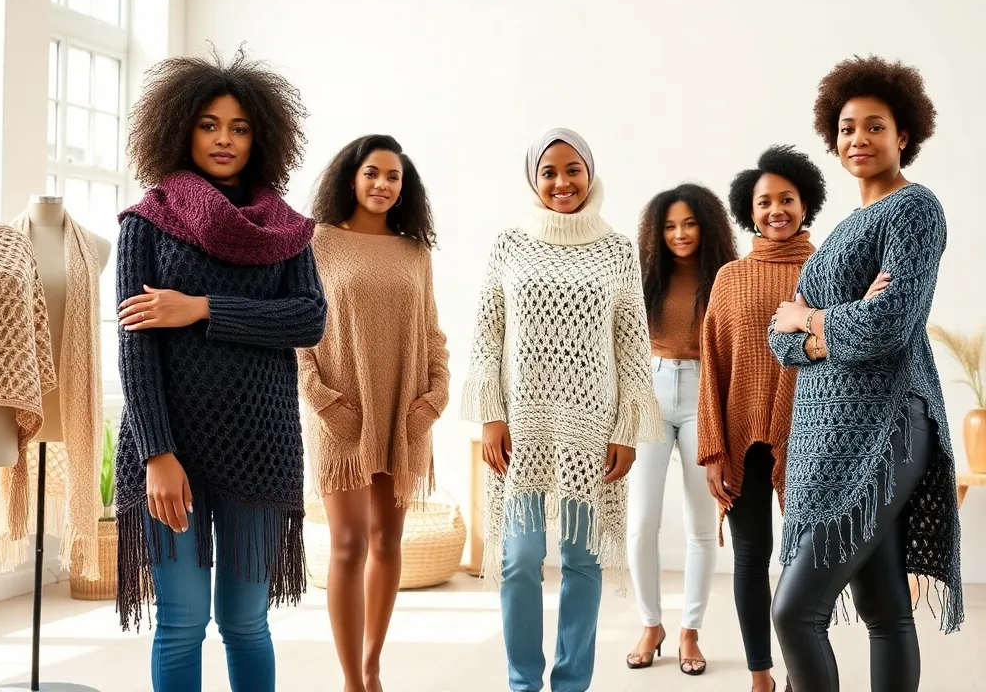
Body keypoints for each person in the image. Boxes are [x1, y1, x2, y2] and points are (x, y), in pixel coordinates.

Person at [112, 47, 328, 692]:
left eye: (239, 127)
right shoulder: (147, 223)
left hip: (261, 449)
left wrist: (202, 308)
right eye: (209, 125)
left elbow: (308, 319)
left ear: (261, 137)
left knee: (246, 622)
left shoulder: (286, 230)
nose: (224, 139)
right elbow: (135, 349)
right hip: (169, 450)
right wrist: (156, 454)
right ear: (182, 129)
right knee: (181, 622)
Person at [767, 55, 964, 692]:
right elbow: (778, 340)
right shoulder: (841, 232)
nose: (859, 139)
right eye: (847, 128)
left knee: (795, 612)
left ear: (904, 135)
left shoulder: (915, 209)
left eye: (875, 126)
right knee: (884, 609)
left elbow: (889, 324)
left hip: (886, 426)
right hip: (829, 438)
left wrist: (812, 320)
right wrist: (826, 324)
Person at [462, 128, 662, 692]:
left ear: (589, 174)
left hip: (591, 428)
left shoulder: (617, 249)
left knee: (581, 559)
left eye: (573, 169)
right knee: (519, 558)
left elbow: (631, 344)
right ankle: (523, 683)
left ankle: (572, 683)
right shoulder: (510, 245)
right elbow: (488, 334)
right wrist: (491, 415)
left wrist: (626, 429)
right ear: (533, 179)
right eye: (548, 172)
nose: (561, 182)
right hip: (521, 426)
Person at [299, 134, 449, 692]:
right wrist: (321, 399)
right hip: (340, 415)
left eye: (393, 177)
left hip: (405, 414)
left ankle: (371, 667)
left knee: (388, 542)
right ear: (351, 177)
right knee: (348, 544)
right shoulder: (316, 243)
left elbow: (432, 334)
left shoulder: (415, 252)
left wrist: (435, 396)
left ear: (404, 188)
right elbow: (298, 333)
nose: (382, 184)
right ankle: (350, 681)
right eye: (372, 173)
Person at [694, 147, 827, 692]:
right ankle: (760, 674)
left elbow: (845, 340)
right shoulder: (730, 277)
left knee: (804, 563)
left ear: (805, 204)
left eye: (787, 199)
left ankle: (801, 674)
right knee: (751, 559)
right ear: (749, 212)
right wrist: (713, 449)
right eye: (764, 202)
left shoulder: (828, 267)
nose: (777, 210)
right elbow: (712, 363)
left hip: (813, 435)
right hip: (741, 437)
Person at [625, 182, 737, 676]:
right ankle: (651, 624)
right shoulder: (643, 276)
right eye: (670, 226)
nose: (680, 234)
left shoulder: (725, 277)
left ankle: (690, 630)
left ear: (707, 226)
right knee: (641, 522)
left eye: (689, 223)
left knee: (700, 525)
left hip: (702, 397)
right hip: (650, 391)